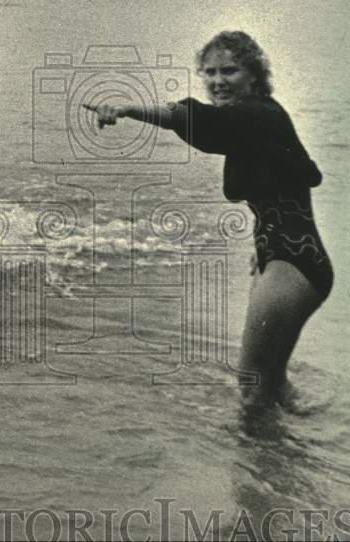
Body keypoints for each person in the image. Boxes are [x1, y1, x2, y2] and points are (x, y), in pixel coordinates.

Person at [88, 31, 332, 412]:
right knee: (274, 384)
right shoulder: (251, 121)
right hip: (283, 259)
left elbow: (196, 120)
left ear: (254, 74)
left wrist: (128, 109)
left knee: (251, 387)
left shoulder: (258, 114)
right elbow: (281, 189)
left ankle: (257, 468)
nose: (218, 81)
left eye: (230, 71)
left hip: (292, 264)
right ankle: (303, 456)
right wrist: (261, 247)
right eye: (210, 72)